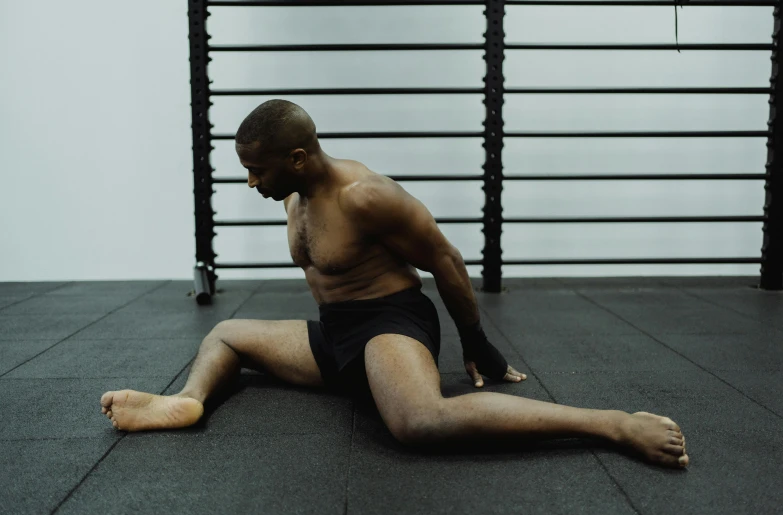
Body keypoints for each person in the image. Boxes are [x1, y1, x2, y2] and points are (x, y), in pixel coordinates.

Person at [100, 100, 688, 469]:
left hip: (391, 325)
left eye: (258, 170)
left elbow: (446, 261)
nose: (250, 182)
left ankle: (611, 423)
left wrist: (476, 343)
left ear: (299, 157)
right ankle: (189, 402)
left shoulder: (367, 196)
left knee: (418, 422)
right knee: (227, 333)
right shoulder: (294, 195)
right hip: (337, 335)